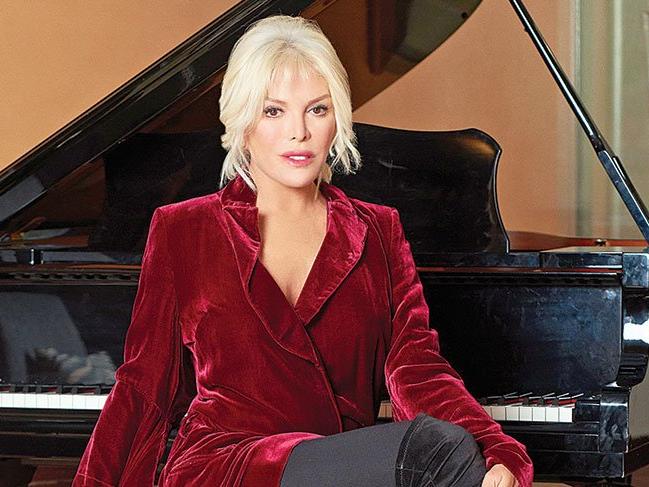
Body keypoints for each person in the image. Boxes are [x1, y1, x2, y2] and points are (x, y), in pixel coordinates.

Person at [73, 15, 533, 487]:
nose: (299, 132)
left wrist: (498, 449)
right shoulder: (184, 229)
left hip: (339, 468)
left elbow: (418, 370)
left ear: (338, 118)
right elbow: (143, 388)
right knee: (437, 452)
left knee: (452, 451)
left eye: (317, 109)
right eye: (273, 111)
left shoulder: (378, 231)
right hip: (224, 467)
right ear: (243, 120)